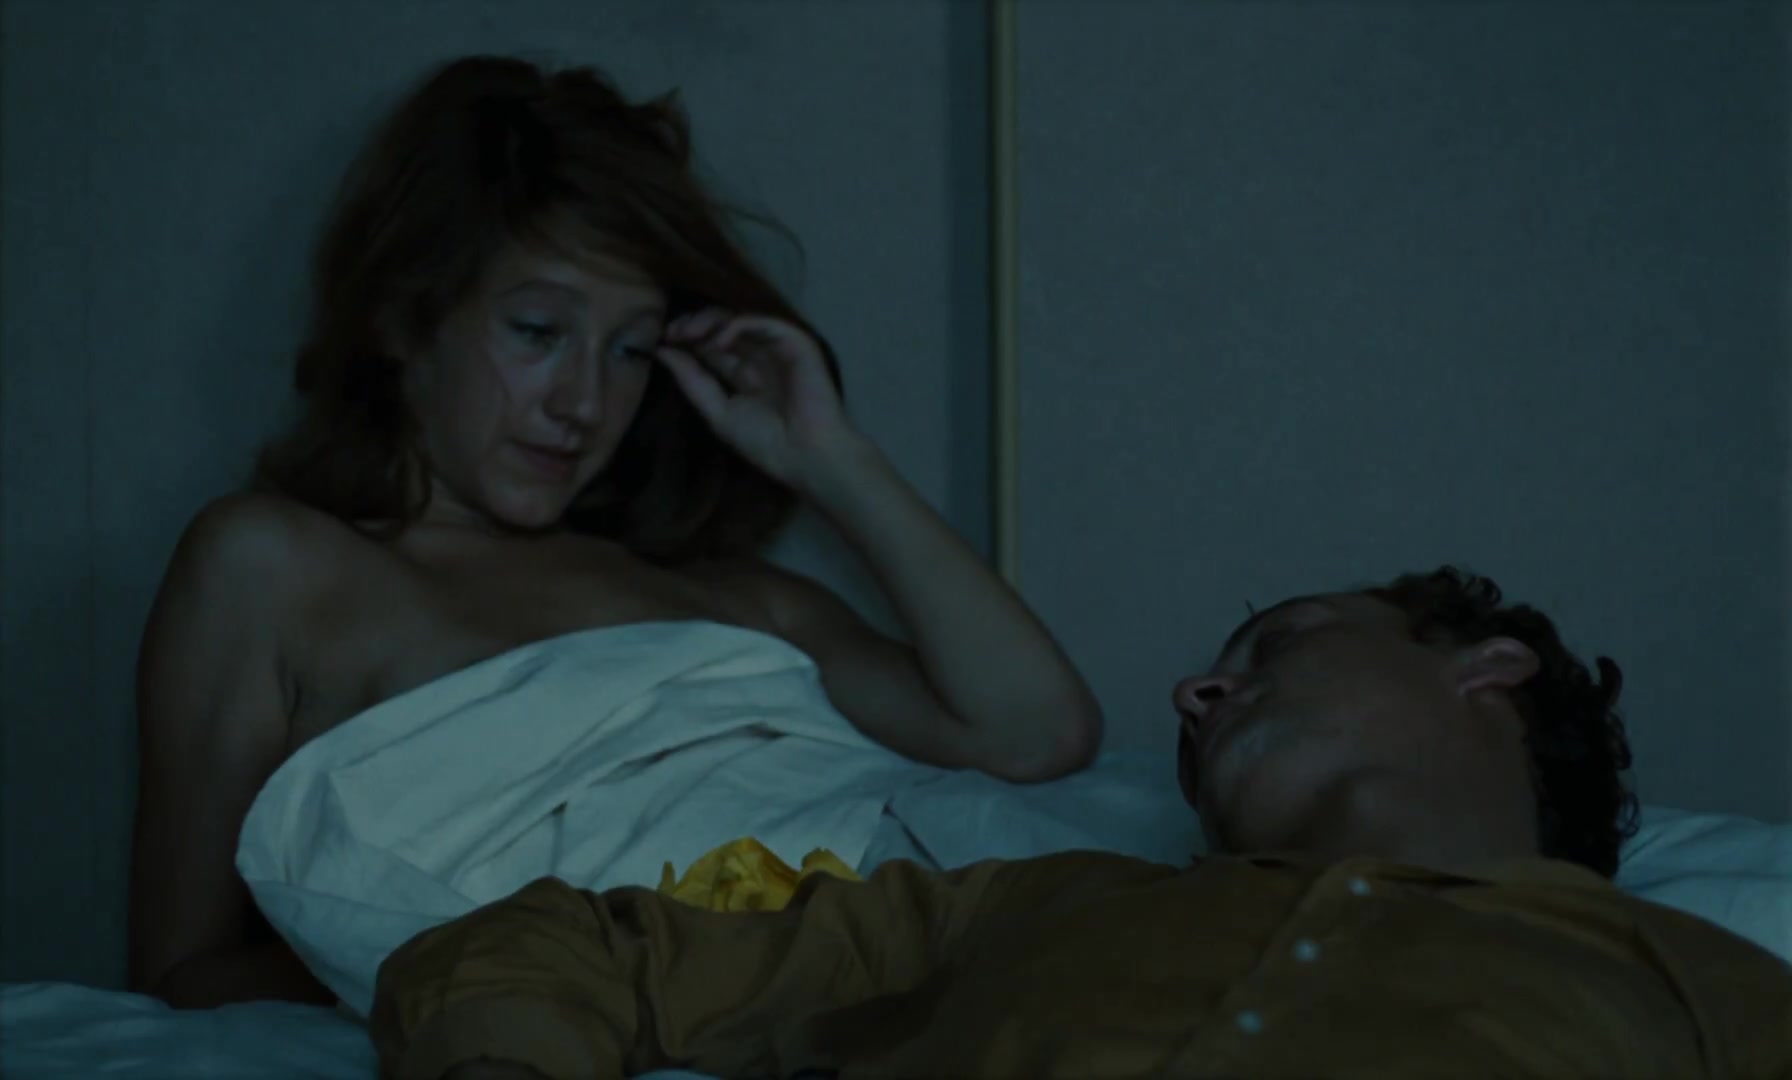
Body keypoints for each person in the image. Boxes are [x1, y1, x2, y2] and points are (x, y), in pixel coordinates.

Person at [127, 55, 1101, 1011]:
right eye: (538, 332)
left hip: (904, 934)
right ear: (402, 318)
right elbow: (182, 972)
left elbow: (1036, 732)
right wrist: (488, 956)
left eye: (631, 349)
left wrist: (829, 456)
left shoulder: (732, 595)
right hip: (606, 997)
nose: (585, 402)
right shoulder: (274, 568)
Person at [369, 567, 1792, 1079]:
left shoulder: (1688, 981)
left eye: (1280, 642)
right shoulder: (1022, 906)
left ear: (1487, 670)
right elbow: (567, 950)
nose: (1193, 692)